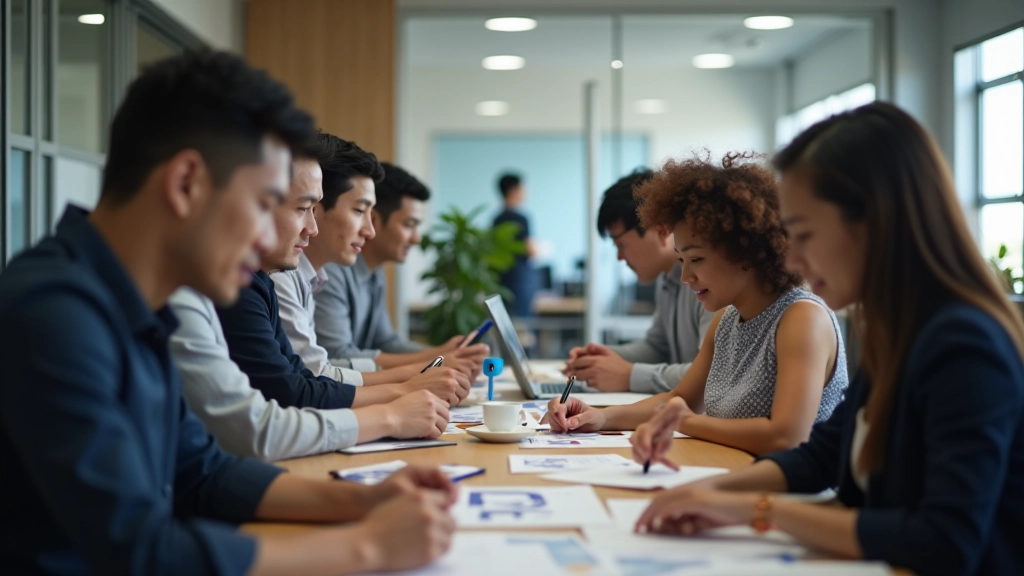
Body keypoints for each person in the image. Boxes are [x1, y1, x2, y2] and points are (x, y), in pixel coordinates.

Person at [0, 50, 454, 575]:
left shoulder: (137, 304)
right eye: (265, 205)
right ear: (186, 183)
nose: (273, 237)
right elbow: (137, 549)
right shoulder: (52, 315)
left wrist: (363, 501)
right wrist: (367, 547)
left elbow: (202, 471)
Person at [631, 103, 1024, 575]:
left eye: (805, 234)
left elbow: (945, 540)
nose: (792, 259)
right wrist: (709, 494)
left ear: (874, 221)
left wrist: (757, 511)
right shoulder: (899, 328)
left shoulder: (964, 344)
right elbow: (822, 455)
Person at [545, 152, 848, 457]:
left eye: (697, 259)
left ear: (744, 252)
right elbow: (680, 398)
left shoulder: (802, 318)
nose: (686, 276)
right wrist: (601, 416)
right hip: (732, 478)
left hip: (786, 498)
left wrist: (685, 422)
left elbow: (786, 438)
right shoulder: (725, 321)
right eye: (681, 260)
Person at [168, 138, 454, 461]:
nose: (312, 228)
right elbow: (281, 407)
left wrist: (413, 382)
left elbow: (301, 379)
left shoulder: (259, 279)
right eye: (303, 209)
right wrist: (397, 404)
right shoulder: (249, 281)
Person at [215, 139, 471, 412]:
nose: (369, 231)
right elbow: (306, 385)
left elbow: (305, 378)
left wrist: (422, 370)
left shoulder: (286, 278)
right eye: (360, 211)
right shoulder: (271, 279)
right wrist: (405, 390)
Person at [314, 161, 488, 371]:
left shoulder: (374, 272)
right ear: (375, 220)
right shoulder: (331, 272)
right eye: (409, 225)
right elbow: (338, 355)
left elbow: (386, 342)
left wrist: (442, 354)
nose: (416, 238)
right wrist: (437, 359)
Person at [564, 169, 713, 393]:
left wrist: (629, 376)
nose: (619, 257)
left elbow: (710, 377)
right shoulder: (668, 280)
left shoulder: (707, 282)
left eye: (621, 244)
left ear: (660, 229)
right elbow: (658, 348)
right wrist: (600, 359)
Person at [492, 172, 537, 317]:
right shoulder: (521, 218)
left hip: (501, 280)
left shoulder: (496, 219)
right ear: (513, 190)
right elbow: (530, 250)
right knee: (522, 325)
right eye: (522, 188)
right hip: (519, 280)